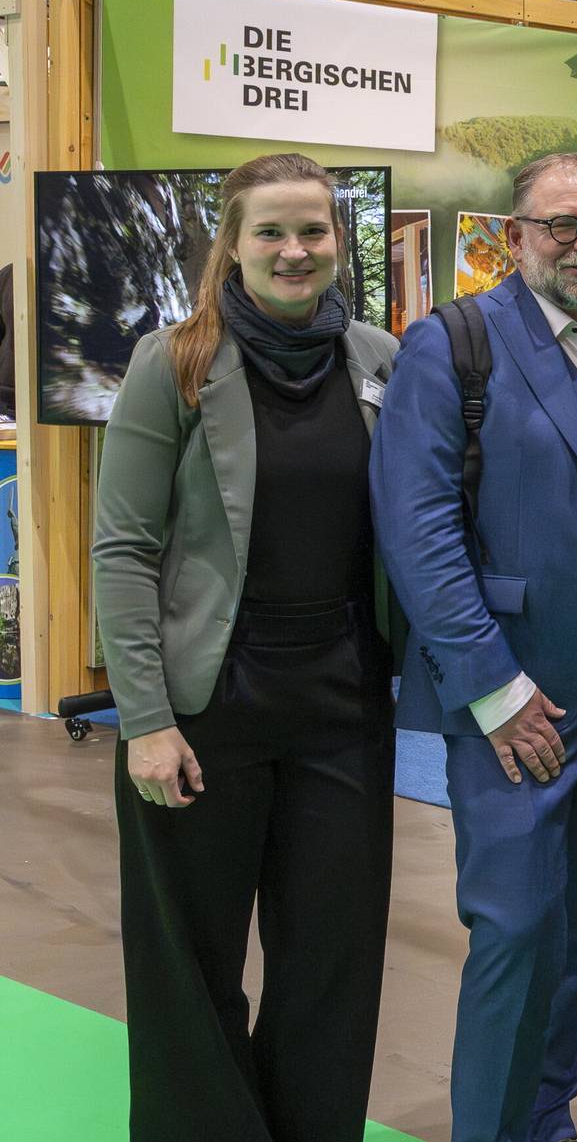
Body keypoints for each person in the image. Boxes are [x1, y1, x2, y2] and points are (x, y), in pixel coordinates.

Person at [372, 151, 577, 1142]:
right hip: (518, 697)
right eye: (561, 225)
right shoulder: (454, 345)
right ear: (514, 235)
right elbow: (420, 529)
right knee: (517, 926)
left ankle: (544, 1114)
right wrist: (493, 686)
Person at [94, 152, 399, 1142]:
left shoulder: (379, 360)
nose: (295, 249)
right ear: (233, 239)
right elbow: (124, 546)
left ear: (337, 238)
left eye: (313, 229)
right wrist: (143, 718)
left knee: (332, 963)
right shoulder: (173, 361)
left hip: (342, 708)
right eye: (271, 230)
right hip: (204, 707)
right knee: (192, 962)